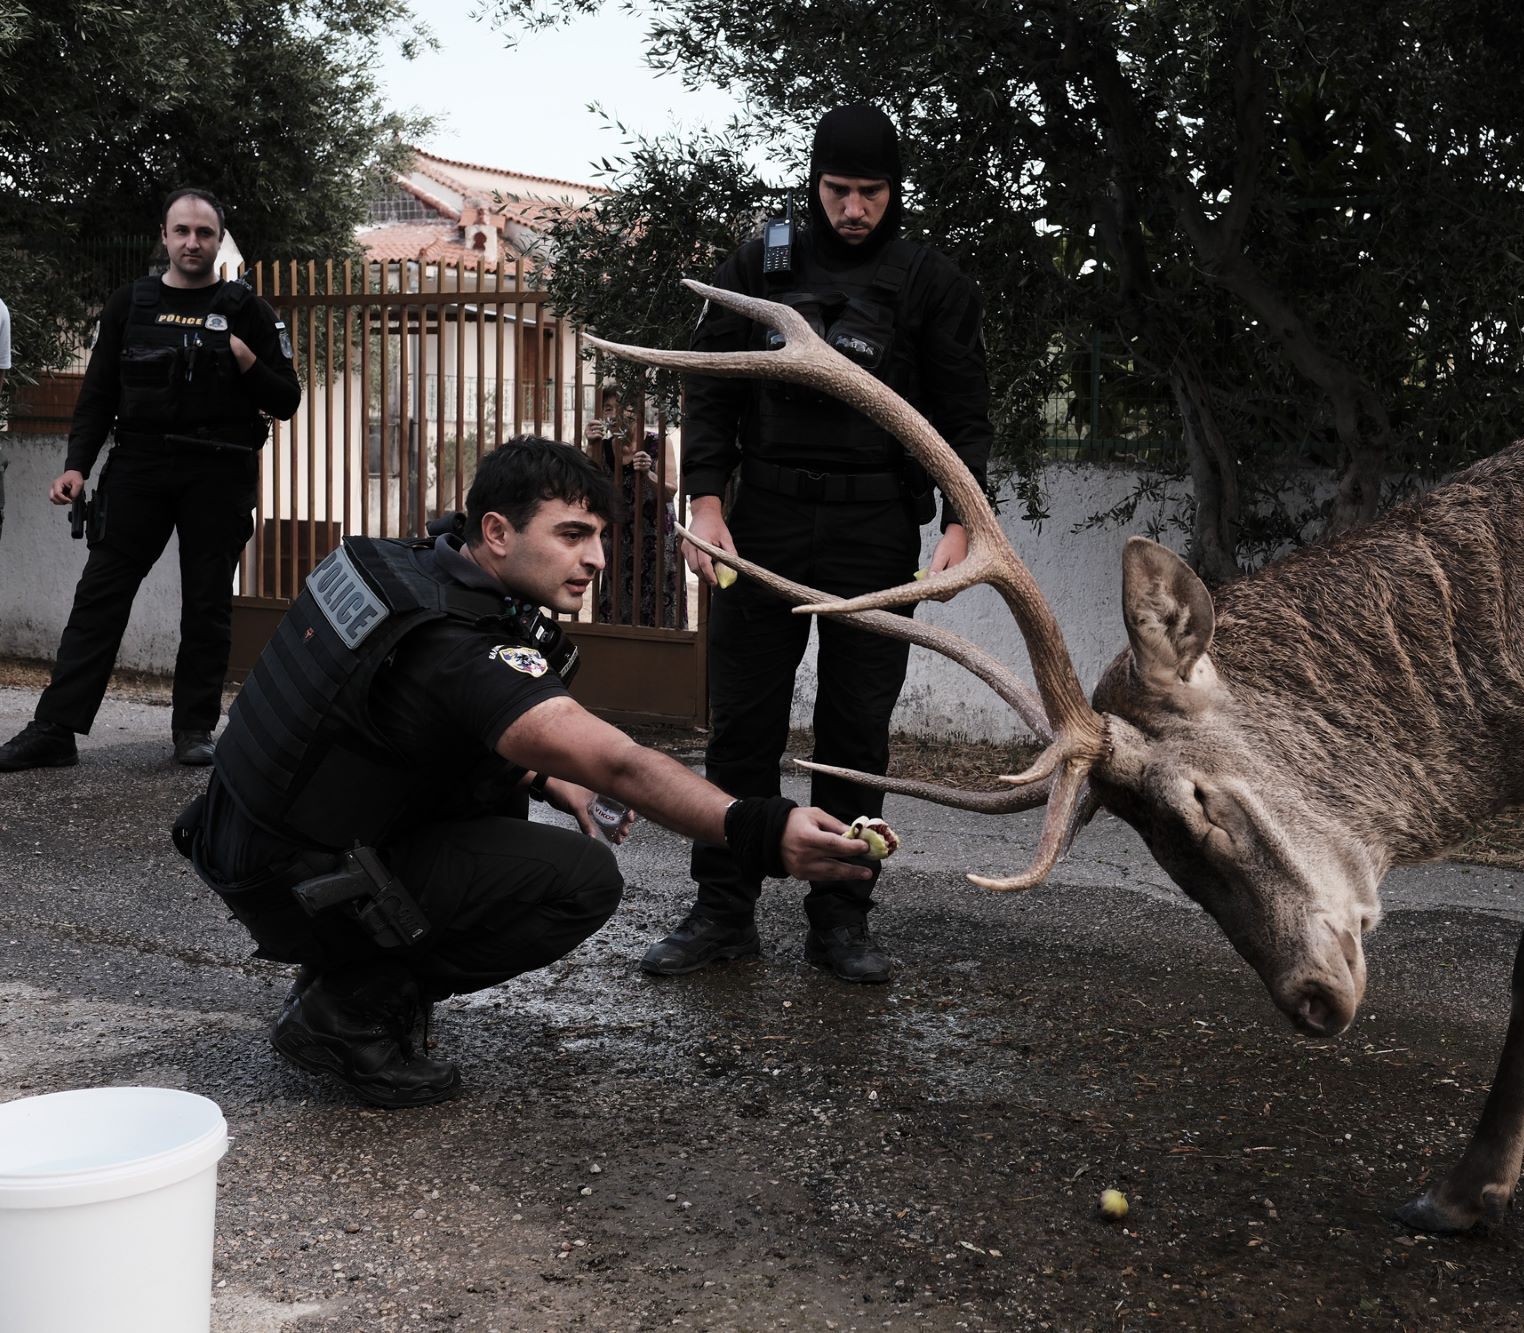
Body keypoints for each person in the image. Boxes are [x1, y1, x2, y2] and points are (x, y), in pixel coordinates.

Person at [171, 436, 877, 1108]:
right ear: (499, 531)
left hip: (245, 839)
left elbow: (392, 734)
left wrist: (544, 778)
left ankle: (343, 972)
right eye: (572, 535)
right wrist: (761, 828)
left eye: (601, 536)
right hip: (292, 879)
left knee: (504, 803)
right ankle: (346, 1009)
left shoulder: (404, 566)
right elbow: (620, 762)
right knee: (578, 882)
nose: (597, 557)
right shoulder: (456, 647)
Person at [641, 104, 994, 985]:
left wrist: (962, 524)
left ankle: (841, 917)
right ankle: (723, 909)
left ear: (894, 190)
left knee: (854, 732)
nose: (854, 209)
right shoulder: (761, 262)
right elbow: (711, 390)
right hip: (758, 524)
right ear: (815, 182)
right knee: (744, 727)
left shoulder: (929, 283)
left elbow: (963, 419)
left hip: (874, 527)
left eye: (872, 192)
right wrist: (707, 501)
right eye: (839, 190)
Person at [0, 189, 299, 771]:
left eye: (204, 233)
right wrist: (76, 465)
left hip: (219, 470)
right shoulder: (129, 303)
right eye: (182, 231)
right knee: (100, 598)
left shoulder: (249, 311)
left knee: (207, 604)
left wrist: (243, 358)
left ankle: (193, 730)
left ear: (218, 240)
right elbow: (98, 395)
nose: (192, 242)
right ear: (163, 236)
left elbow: (286, 399)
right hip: (138, 467)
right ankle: (55, 730)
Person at [588, 386, 679, 627]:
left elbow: (671, 493)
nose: (616, 414)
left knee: (660, 604)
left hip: (657, 540)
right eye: (608, 408)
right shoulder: (602, 447)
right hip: (618, 540)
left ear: (636, 412)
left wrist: (648, 473)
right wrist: (590, 446)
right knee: (617, 606)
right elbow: (587, 489)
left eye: (623, 407)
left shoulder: (659, 443)